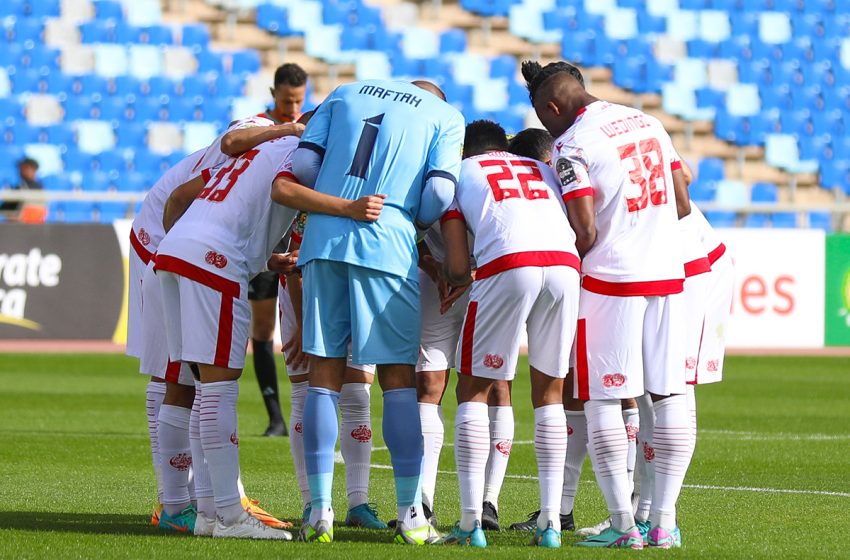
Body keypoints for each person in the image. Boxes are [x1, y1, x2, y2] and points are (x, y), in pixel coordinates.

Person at [155, 113, 385, 540]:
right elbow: (284, 188)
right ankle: (229, 515)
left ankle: (207, 510)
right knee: (219, 387)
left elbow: (181, 196)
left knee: (202, 387)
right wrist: (350, 207)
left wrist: (200, 245)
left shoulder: (258, 147)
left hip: (174, 254)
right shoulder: (300, 153)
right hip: (213, 262)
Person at [283, 78, 464, 544]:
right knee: (398, 379)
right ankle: (410, 516)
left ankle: (318, 512)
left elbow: (303, 162)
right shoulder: (444, 116)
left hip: (323, 239)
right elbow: (441, 194)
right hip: (386, 242)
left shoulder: (346, 90)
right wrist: (409, 222)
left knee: (324, 375)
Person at [523, 59, 692, 549]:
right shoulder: (650, 122)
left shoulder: (573, 144)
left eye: (542, 118)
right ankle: (663, 523)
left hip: (612, 280)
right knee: (669, 396)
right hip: (666, 274)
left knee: (602, 400)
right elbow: (681, 202)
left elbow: (586, 230)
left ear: (553, 107)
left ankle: (623, 526)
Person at [126, 114, 301, 533]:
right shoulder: (271, 143)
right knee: (193, 376)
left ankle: (200, 503)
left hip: (175, 242)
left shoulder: (259, 145)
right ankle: (206, 506)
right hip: (167, 239)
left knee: (186, 375)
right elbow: (224, 152)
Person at [439, 119, 580, 549]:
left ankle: (469, 523)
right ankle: (551, 523)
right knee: (550, 394)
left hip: (507, 264)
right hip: (564, 266)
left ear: (466, 150)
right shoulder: (539, 167)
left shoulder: (459, 173)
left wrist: (455, 275)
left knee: (473, 390)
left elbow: (460, 268)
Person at [280, 213, 387, 529]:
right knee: (305, 393)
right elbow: (295, 263)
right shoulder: (315, 188)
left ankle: (359, 503)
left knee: (357, 395)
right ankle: (311, 502)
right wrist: (303, 322)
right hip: (307, 295)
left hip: (357, 293)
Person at [416, 221, 513, 532]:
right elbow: (402, 222)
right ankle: (423, 501)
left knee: (496, 385)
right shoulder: (429, 171)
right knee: (429, 383)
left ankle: (489, 502)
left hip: (493, 277)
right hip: (435, 279)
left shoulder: (488, 173)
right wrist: (433, 267)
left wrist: (471, 275)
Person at [234, 62, 309, 437]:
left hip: (295, 236)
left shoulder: (308, 128)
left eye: (298, 101)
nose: (293, 109)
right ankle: (276, 416)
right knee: (263, 329)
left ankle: (296, 411)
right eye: (286, 100)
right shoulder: (261, 128)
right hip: (265, 238)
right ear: (273, 95)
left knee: (292, 328)